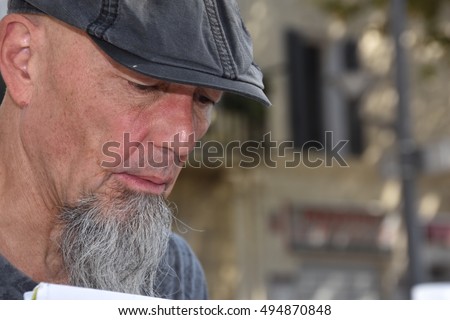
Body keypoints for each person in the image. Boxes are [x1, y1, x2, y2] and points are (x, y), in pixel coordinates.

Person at [0, 0, 269, 300]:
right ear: (23, 60)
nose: (182, 139)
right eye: (144, 85)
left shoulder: (172, 278)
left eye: (204, 99)